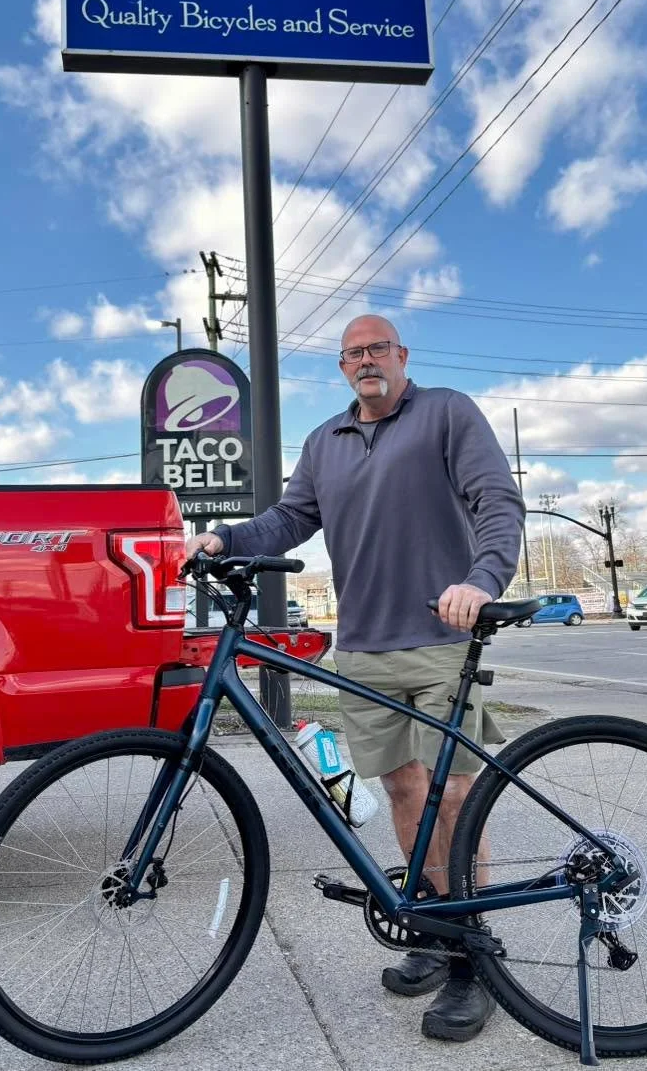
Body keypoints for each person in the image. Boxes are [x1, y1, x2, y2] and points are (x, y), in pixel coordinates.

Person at [186, 314, 524, 1041]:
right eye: (353, 353)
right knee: (405, 791)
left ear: (402, 357)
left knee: (455, 795)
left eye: (378, 349)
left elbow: (497, 501)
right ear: (341, 368)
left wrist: (483, 578)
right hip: (365, 647)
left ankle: (476, 959)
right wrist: (227, 538)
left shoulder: (445, 413)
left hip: (441, 634)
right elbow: (287, 519)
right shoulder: (323, 443)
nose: (367, 360)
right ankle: (435, 931)